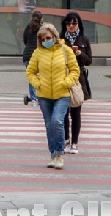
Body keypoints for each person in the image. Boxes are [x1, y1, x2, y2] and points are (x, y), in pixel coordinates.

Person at [26, 22, 80, 170]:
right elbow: (30, 72)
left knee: (57, 121)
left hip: (62, 93)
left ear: (55, 36)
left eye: (48, 38)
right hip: (44, 95)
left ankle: (60, 154)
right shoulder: (38, 52)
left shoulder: (65, 50)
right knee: (49, 125)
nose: (45, 41)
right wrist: (38, 83)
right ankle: (53, 155)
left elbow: (75, 70)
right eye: (42, 39)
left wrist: (66, 82)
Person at [61, 12, 93, 155]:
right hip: (63, 77)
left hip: (79, 79)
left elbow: (89, 61)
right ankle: (66, 140)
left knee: (76, 111)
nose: (71, 26)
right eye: (69, 23)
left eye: (74, 23)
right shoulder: (60, 40)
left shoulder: (84, 40)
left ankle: (74, 143)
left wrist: (80, 53)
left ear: (78, 24)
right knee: (63, 112)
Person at [22, 10, 43, 106]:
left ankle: (34, 97)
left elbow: (25, 40)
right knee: (40, 76)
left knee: (31, 76)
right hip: (37, 55)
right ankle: (37, 97)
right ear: (41, 19)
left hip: (27, 54)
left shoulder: (28, 27)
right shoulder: (42, 29)